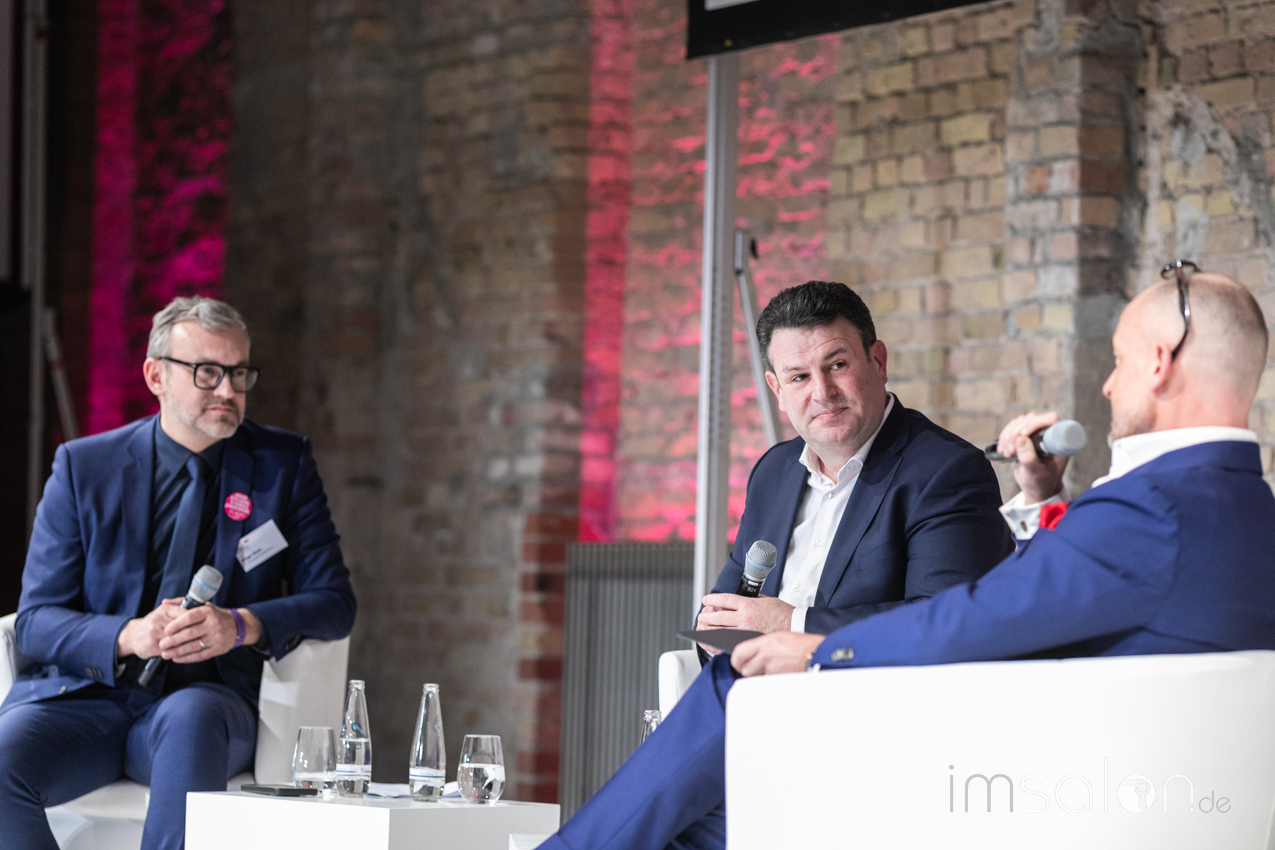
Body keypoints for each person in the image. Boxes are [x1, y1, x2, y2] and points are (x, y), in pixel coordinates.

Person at [542, 266, 1275, 850]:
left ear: (1157, 363)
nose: (1108, 383)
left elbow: (972, 615)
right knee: (689, 822)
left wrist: (812, 643)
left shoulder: (1145, 507)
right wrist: (1040, 500)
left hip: (1019, 784)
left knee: (722, 713)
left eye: (1115, 362)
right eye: (797, 377)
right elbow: (1061, 588)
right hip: (1127, 789)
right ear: (776, 388)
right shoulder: (1242, 506)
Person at [0, 297, 357, 850]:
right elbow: (35, 621)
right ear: (156, 376)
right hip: (89, 698)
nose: (228, 390)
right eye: (208, 372)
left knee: (191, 720)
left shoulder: (282, 465)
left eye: (239, 373)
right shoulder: (85, 467)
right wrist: (129, 634)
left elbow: (334, 602)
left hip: (207, 699)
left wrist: (239, 625)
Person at [696, 281, 1013, 640]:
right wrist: (714, 642)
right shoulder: (772, 471)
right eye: (799, 377)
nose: (822, 392)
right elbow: (719, 615)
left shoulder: (947, 472)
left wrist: (791, 624)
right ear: (777, 391)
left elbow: (946, 623)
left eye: (837, 365)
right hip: (750, 675)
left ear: (878, 362)